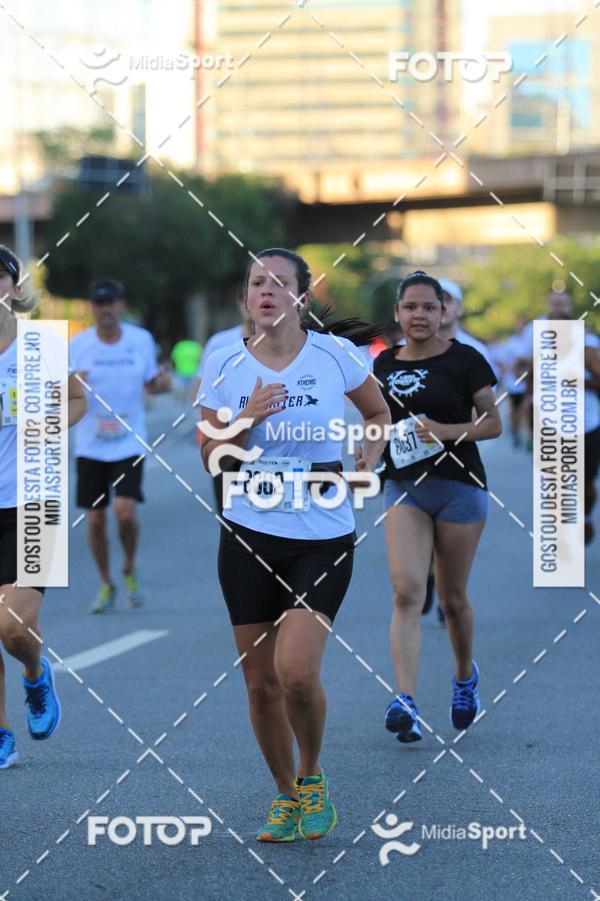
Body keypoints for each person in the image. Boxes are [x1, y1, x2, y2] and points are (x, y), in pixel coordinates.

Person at [199, 248, 389, 841]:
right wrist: (246, 418)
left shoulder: (335, 355)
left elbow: (377, 411)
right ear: (248, 295)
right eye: (258, 281)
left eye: (281, 282)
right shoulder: (225, 361)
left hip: (322, 532)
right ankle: (284, 796)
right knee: (260, 686)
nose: (267, 291)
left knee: (296, 673)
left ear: (302, 296)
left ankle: (311, 777)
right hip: (248, 532)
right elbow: (210, 455)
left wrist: (368, 455)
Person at [374, 271, 501, 743]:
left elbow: (493, 424)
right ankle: (404, 699)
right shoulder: (383, 365)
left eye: (429, 307)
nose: (420, 315)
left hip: (459, 487)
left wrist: (445, 431)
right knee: (407, 591)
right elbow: (374, 423)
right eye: (411, 307)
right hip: (404, 486)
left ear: (443, 312)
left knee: (451, 599)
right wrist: (366, 454)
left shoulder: (466, 360)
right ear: (398, 313)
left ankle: (465, 677)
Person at [0, 244, 87, 769]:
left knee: (13, 625)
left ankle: (35, 675)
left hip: (35, 501)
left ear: (11, 286)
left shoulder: (39, 346)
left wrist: (48, 422)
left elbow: (78, 400)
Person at [70, 278, 170, 613]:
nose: (106, 310)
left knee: (124, 512)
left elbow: (155, 385)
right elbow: (59, 392)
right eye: (100, 304)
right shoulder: (78, 345)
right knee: (95, 520)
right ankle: (105, 581)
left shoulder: (140, 341)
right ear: (93, 309)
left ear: (121, 306)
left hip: (129, 440)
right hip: (90, 444)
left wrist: (161, 384)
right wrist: (74, 385)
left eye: (111, 303)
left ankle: (129, 564)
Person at [517, 290, 600, 543]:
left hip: (586, 424)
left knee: (584, 484)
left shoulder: (587, 349)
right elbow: (530, 382)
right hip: (550, 425)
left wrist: (579, 381)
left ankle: (583, 516)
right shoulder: (540, 351)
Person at [171, 335, 202, 404]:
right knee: (192, 389)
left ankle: (182, 401)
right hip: (193, 370)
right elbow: (200, 358)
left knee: (181, 388)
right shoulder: (195, 346)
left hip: (180, 370)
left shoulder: (179, 346)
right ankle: (190, 401)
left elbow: (173, 357)